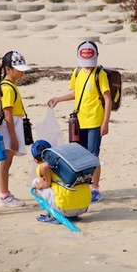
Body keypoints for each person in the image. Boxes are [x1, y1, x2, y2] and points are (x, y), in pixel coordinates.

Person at [47, 41, 112, 203]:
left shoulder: (100, 74)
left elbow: (108, 98)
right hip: (79, 121)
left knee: (93, 155)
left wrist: (106, 122)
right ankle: (83, 185)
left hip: (95, 121)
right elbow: (76, 93)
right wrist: (58, 99)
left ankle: (95, 188)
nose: (87, 66)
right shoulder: (77, 72)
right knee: (79, 155)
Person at [0, 50, 32, 208]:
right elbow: (8, 114)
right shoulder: (8, 88)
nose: (22, 72)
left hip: (12, 125)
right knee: (5, 163)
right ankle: (4, 196)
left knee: (7, 162)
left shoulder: (10, 85)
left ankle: (5, 194)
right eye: (19, 69)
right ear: (8, 69)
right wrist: (14, 138)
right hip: (9, 127)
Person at [31, 140, 91, 223]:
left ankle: (53, 215)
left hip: (65, 209)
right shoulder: (63, 162)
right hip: (84, 206)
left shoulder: (42, 167)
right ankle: (72, 215)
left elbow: (45, 165)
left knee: (36, 182)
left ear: (35, 160)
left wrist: (44, 183)